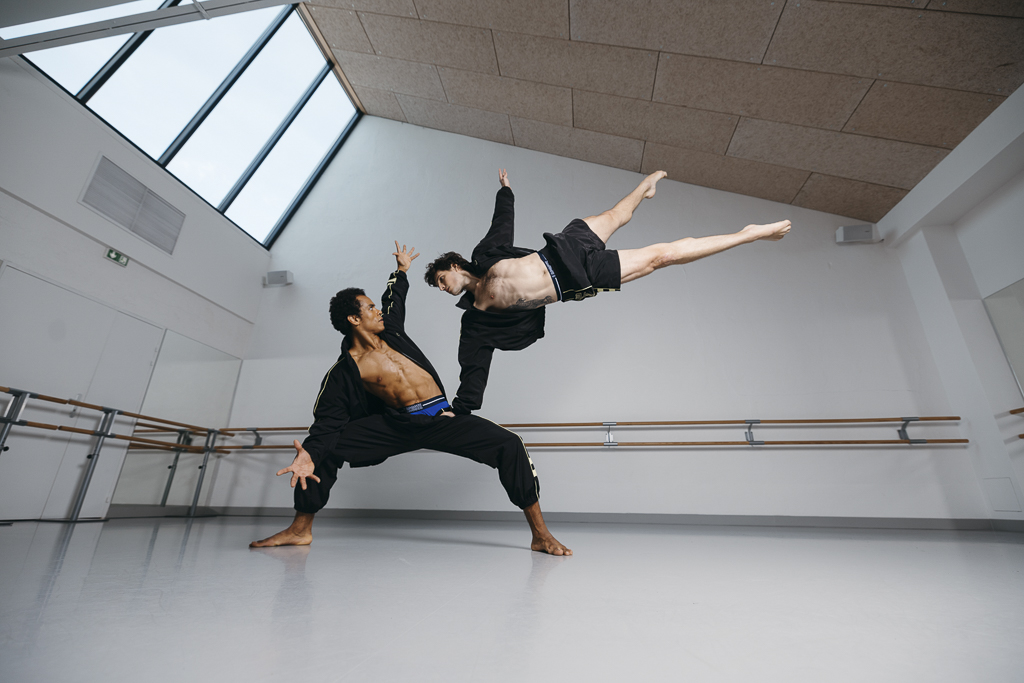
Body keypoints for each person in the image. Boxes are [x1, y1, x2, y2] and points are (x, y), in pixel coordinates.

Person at [250, 242, 570, 555]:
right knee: (322, 452)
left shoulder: (391, 331)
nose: (377, 311)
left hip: (441, 419)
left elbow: (394, 299)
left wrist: (401, 271)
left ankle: (540, 535)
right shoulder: (346, 371)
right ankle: (299, 529)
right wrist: (310, 453)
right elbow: (328, 423)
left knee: (510, 444)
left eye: (376, 306)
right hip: (398, 425)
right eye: (369, 308)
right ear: (354, 320)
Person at [425, 169, 792, 415]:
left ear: (454, 265)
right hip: (578, 277)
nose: (444, 289)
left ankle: (644, 188)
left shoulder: (484, 255)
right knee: (661, 257)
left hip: (562, 247)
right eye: (441, 287)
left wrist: (505, 190)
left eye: (442, 279)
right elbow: (473, 366)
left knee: (616, 215)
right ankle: (750, 233)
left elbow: (501, 224)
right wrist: (460, 409)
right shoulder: (476, 321)